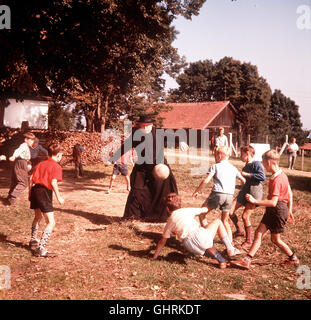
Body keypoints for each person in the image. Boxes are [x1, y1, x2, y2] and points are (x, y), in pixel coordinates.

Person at [110, 114, 188, 222]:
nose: (146, 128)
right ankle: (132, 216)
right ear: (140, 125)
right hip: (142, 167)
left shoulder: (159, 132)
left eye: (149, 125)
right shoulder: (135, 134)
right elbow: (125, 147)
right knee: (137, 190)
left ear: (152, 125)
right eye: (144, 125)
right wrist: (113, 158)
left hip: (160, 166)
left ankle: (165, 216)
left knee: (167, 188)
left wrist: (181, 141)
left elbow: (174, 135)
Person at [231, 150, 299, 270]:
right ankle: (247, 260)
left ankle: (293, 258)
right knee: (259, 233)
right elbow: (289, 192)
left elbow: (273, 202)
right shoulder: (281, 174)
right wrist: (290, 209)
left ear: (269, 162)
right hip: (275, 210)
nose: (262, 165)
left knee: (275, 239)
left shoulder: (277, 179)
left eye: (263, 163)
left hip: (277, 210)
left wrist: (254, 201)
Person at [152, 193, 241, 269]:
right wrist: (210, 204)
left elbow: (162, 241)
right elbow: (203, 210)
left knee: (207, 243)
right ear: (180, 204)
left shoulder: (170, 220)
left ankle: (222, 260)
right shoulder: (186, 210)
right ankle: (230, 248)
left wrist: (155, 256)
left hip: (188, 245)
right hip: (199, 236)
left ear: (167, 208)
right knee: (218, 222)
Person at [192, 146, 246, 243]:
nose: (215, 157)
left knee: (202, 213)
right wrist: (241, 189)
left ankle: (206, 237)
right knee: (225, 221)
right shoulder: (233, 168)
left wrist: (197, 191)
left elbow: (206, 180)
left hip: (217, 194)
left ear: (219, 155)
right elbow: (243, 180)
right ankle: (230, 245)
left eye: (215, 155)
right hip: (229, 196)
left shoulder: (215, 166)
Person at [28, 142, 64, 257]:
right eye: (61, 155)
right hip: (44, 192)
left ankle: (33, 240)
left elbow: (31, 179)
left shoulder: (41, 164)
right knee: (51, 222)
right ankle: (41, 248)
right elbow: (53, 182)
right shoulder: (56, 166)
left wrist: (29, 193)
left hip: (35, 190)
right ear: (58, 154)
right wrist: (59, 197)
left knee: (37, 217)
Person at [229, 145, 266, 249]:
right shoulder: (246, 166)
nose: (240, 156)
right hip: (244, 193)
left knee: (245, 216)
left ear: (248, 154)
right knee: (230, 211)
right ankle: (240, 230)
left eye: (242, 154)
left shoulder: (256, 164)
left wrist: (248, 174)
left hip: (253, 194)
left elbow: (262, 177)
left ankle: (249, 240)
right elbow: (245, 183)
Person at [7, 132, 36, 205]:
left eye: (33, 140)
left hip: (21, 163)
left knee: (15, 180)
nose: (32, 142)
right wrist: (14, 156)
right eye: (31, 140)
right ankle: (13, 196)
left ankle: (10, 195)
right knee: (23, 182)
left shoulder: (26, 147)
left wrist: (28, 162)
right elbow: (18, 151)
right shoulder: (23, 145)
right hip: (21, 163)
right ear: (26, 139)